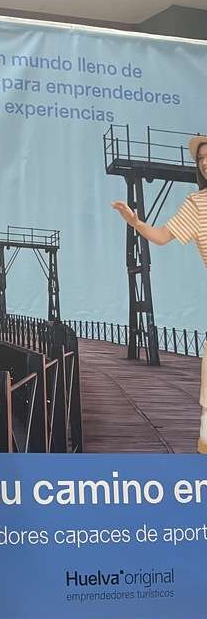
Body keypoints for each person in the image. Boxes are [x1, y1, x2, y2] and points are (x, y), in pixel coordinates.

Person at [111, 134, 207, 454]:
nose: (204, 162)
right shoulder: (198, 204)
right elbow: (163, 236)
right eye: (200, 159)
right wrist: (135, 221)